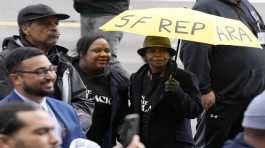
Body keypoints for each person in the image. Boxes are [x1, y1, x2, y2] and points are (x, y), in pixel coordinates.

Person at [180, 0, 265, 147]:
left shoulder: (245, 5)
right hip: (223, 99)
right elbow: (193, 50)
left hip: (251, 97)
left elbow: (260, 35)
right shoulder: (205, 7)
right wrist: (203, 89)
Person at [0, 4, 94, 131]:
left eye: (55, 24)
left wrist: (73, 122)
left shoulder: (63, 63)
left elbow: (83, 100)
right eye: (45, 24)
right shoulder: (4, 62)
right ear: (25, 28)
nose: (54, 28)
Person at [0, 47, 85, 148]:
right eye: (41, 71)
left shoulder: (66, 109)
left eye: (51, 69)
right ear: (16, 78)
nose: (50, 76)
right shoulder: (3, 114)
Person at [129, 36, 203, 148]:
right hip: (144, 143)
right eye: (152, 51)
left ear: (169, 55)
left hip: (174, 144)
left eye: (163, 51)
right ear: (145, 55)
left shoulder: (184, 77)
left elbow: (196, 110)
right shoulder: (136, 78)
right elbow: (133, 110)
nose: (158, 55)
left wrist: (179, 93)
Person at [72, 34, 129, 148]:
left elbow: (121, 120)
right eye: (97, 50)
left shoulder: (118, 82)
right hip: (71, 142)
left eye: (107, 51)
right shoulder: (66, 74)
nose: (103, 54)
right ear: (82, 53)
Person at [73, 0, 130, 77]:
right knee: (85, 55)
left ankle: (131, 85)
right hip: (86, 9)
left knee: (107, 59)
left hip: (108, 10)